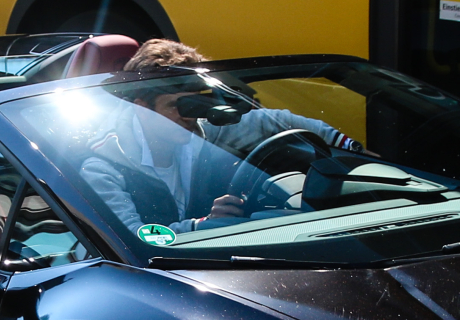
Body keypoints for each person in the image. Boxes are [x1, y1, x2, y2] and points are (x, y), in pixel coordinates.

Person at [75, 40, 358, 234]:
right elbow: (133, 237)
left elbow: (276, 121)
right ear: (143, 109)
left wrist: (351, 147)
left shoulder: (204, 127)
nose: (191, 116)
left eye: (197, 104)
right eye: (178, 106)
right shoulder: (103, 165)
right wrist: (200, 226)